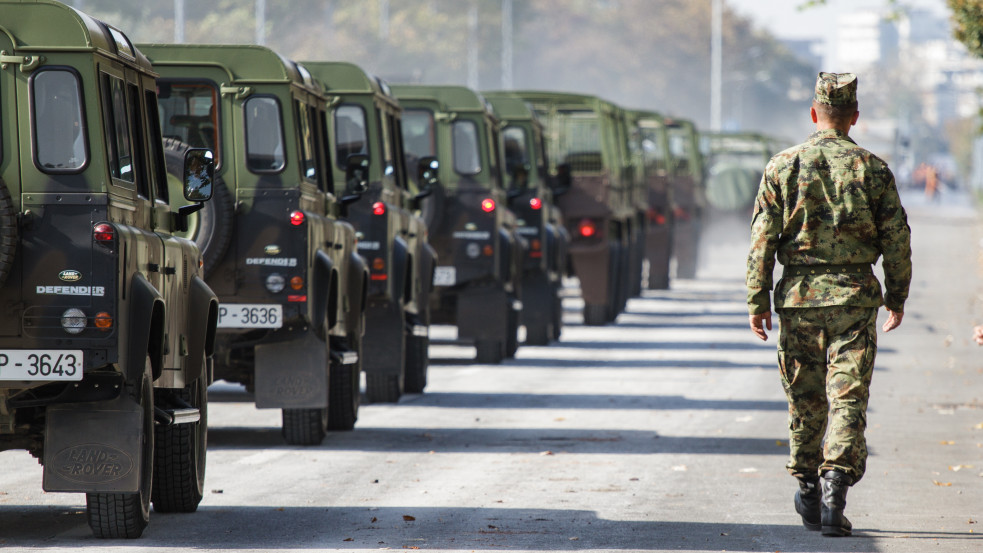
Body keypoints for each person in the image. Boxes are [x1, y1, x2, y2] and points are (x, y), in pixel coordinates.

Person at [745, 72, 912, 537]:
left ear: (814, 114)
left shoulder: (782, 166)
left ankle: (806, 485)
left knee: (805, 398)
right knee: (848, 397)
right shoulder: (873, 169)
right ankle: (835, 485)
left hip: (798, 301)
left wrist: (757, 299)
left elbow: (762, 238)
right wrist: (896, 296)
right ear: (854, 117)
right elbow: (897, 239)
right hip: (855, 302)